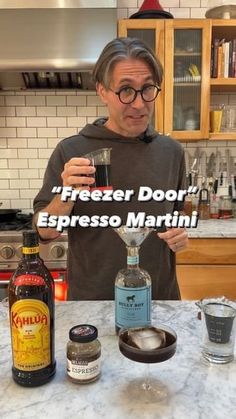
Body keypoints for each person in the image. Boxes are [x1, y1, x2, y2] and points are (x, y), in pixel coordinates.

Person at [33, 37, 188, 300]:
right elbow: (44, 233)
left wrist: (179, 233)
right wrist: (66, 195)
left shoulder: (172, 152)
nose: (139, 104)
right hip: (93, 305)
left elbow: (177, 213)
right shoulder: (71, 151)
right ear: (102, 91)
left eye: (147, 88)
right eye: (126, 90)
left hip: (160, 302)